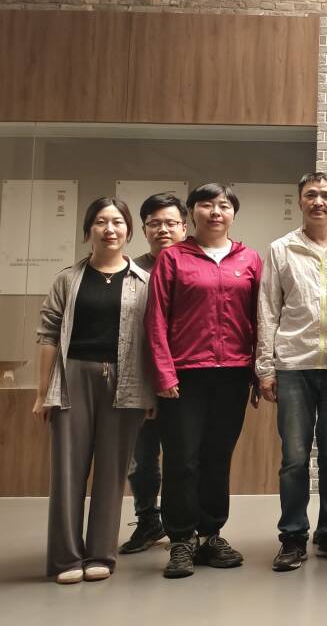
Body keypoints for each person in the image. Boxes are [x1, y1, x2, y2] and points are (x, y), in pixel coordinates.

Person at [146, 183, 262, 580]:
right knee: (182, 458)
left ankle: (211, 534)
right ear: (191, 212)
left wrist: (257, 372)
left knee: (217, 457)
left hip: (233, 374)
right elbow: (156, 319)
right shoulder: (173, 258)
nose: (215, 212)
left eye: (224, 205)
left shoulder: (249, 258)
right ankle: (181, 539)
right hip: (184, 375)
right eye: (206, 205)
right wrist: (163, 372)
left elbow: (259, 318)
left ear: (233, 213)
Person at [34, 198, 153, 584]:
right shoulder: (68, 279)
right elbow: (48, 334)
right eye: (101, 221)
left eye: (117, 222)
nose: (110, 229)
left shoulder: (144, 282)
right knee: (67, 470)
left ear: (128, 231)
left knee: (112, 471)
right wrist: (42, 393)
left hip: (126, 381)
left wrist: (150, 391)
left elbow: (153, 340)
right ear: (88, 230)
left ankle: (101, 554)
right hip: (72, 378)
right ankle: (66, 558)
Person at [257, 173, 327, 572]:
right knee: (294, 457)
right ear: (301, 201)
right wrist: (265, 367)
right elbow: (268, 308)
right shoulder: (281, 249)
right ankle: (292, 536)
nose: (318, 201)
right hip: (294, 365)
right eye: (311, 195)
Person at [120, 192, 188, 555]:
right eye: (154, 223)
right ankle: (148, 520)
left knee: (183, 457)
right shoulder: (131, 271)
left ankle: (185, 526)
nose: (163, 229)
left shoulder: (194, 265)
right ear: (144, 229)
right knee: (142, 459)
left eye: (171, 223)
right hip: (141, 377)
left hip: (187, 378)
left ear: (184, 227)